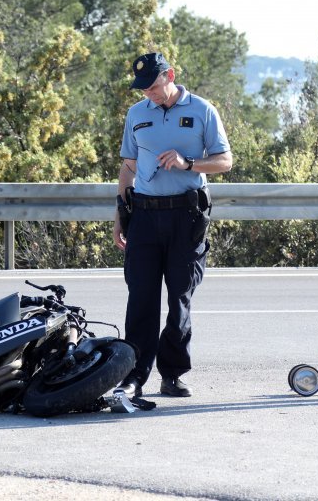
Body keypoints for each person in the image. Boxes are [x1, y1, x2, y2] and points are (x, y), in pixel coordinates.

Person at [112, 52, 232, 398]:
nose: (148, 93)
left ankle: (173, 374)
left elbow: (225, 160)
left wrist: (188, 162)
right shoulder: (136, 114)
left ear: (170, 75)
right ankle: (133, 374)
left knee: (180, 298)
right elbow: (128, 166)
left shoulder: (202, 110)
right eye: (143, 89)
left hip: (187, 216)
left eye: (153, 86)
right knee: (141, 299)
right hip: (145, 217)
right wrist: (120, 214)